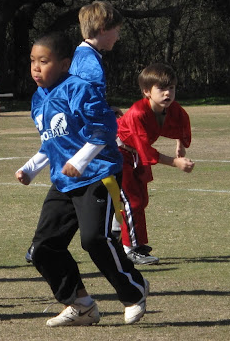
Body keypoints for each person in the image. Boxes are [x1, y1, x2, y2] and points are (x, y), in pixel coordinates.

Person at [15, 32, 149, 326]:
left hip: (98, 173)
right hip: (65, 181)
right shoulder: (39, 98)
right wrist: (31, 168)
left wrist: (80, 160)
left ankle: (134, 291)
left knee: (94, 239)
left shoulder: (79, 89)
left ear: (64, 64)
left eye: (44, 61)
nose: (36, 67)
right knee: (43, 248)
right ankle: (81, 304)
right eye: (33, 61)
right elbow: (53, 142)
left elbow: (104, 130)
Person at [24, 0, 124, 263]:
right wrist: (102, 119)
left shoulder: (82, 55)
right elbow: (84, 103)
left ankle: (44, 245)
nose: (118, 36)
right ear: (103, 29)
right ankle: (118, 239)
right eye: (116, 30)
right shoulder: (89, 62)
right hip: (87, 147)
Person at [116, 62, 195, 265]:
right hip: (116, 153)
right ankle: (130, 249)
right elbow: (145, 150)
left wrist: (180, 146)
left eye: (172, 88)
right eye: (161, 88)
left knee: (141, 200)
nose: (168, 93)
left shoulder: (171, 108)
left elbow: (182, 123)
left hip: (134, 154)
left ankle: (119, 231)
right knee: (132, 201)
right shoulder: (138, 113)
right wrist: (175, 162)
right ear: (146, 91)